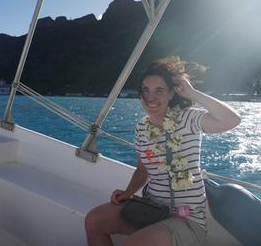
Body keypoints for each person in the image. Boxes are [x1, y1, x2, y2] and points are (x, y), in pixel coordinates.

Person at [85, 56, 241, 246]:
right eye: (146, 90)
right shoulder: (142, 128)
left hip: (186, 218)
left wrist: (192, 93)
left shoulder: (188, 119)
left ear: (171, 94)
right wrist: (128, 192)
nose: (150, 97)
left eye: (159, 90)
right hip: (151, 209)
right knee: (93, 221)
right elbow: (143, 170)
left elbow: (232, 120)